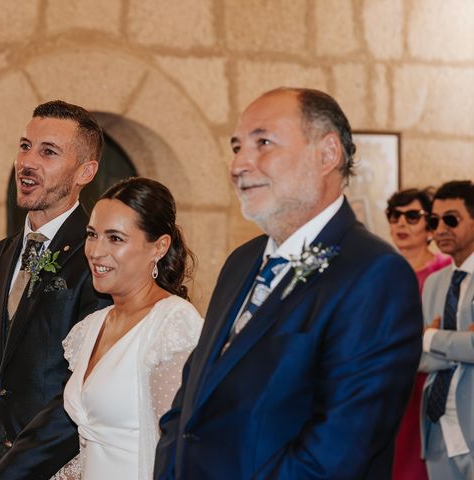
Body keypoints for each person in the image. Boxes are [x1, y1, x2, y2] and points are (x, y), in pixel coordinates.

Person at [154, 87, 423, 479]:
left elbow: (338, 451)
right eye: (236, 147)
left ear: (327, 154)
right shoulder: (241, 262)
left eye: (263, 142)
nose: (239, 165)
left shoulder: (375, 275)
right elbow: (191, 400)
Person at [0, 100, 111, 480]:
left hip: (53, 469)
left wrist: (11, 472)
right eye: (24, 146)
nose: (27, 162)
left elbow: (83, 388)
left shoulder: (97, 260)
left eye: (48, 151)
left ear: (85, 171)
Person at [53, 177, 202, 480]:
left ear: (159, 247)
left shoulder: (171, 325)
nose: (96, 251)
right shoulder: (90, 328)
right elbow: (91, 449)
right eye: (92, 235)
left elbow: (179, 451)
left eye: (115, 238)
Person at [386, 188, 451, 480]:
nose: (401, 224)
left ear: (430, 226)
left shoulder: (447, 271)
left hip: (430, 382)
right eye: (394, 215)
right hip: (389, 380)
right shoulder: (382, 271)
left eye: (412, 216)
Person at [419, 180, 474, 479]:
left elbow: (426, 344)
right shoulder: (434, 283)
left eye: (451, 219)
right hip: (437, 428)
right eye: (434, 220)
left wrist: (431, 337)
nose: (440, 229)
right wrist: (459, 344)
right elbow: (418, 357)